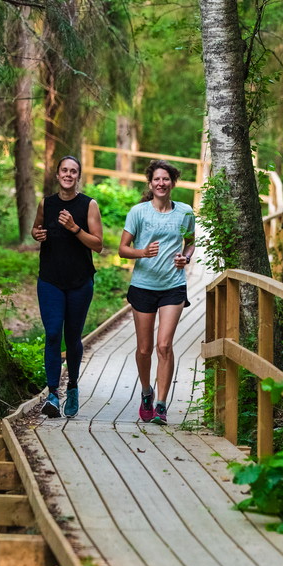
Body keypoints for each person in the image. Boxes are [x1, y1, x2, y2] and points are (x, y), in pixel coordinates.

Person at [118, 159, 195, 425]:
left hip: (173, 285)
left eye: (166, 179)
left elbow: (190, 242)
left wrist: (185, 257)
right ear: (150, 184)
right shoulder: (138, 212)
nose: (161, 183)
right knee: (144, 349)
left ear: (173, 182)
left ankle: (161, 405)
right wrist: (142, 252)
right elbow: (122, 249)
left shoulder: (185, 212)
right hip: (143, 286)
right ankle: (146, 392)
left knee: (164, 345)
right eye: (156, 179)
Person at [32, 156, 104, 418]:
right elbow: (36, 228)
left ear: (78, 176)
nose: (68, 175)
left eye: (73, 171)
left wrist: (74, 228)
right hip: (50, 279)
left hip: (79, 282)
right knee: (53, 334)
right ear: (57, 174)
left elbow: (98, 244)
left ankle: (72, 386)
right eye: (64, 170)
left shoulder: (88, 205)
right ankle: (52, 393)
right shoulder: (46, 203)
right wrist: (36, 234)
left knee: (72, 338)